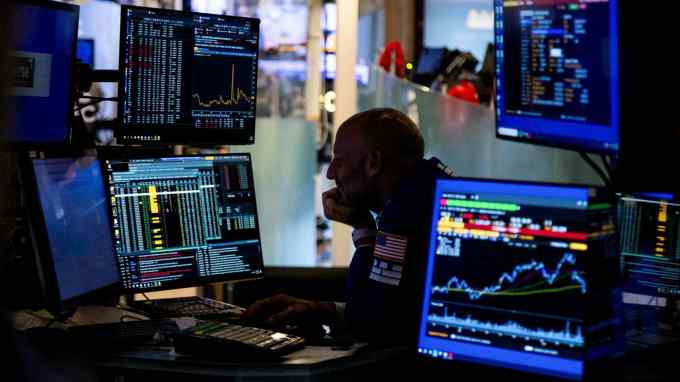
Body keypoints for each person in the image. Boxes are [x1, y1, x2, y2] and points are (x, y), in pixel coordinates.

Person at [243, 108, 455, 344]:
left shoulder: (405, 211)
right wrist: (322, 309)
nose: (332, 172)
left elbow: (371, 325)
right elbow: (385, 310)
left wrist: (362, 229)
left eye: (339, 161)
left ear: (373, 163)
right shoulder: (429, 185)